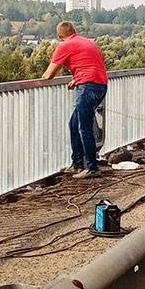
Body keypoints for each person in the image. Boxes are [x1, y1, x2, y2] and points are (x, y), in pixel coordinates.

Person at [41, 21, 108, 179]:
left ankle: (92, 167)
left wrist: (35, 81)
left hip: (88, 88)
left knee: (84, 128)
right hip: (100, 85)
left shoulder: (64, 46)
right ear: (74, 31)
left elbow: (48, 75)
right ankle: (77, 164)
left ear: (59, 36)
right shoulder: (86, 42)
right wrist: (77, 79)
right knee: (73, 124)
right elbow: (89, 65)